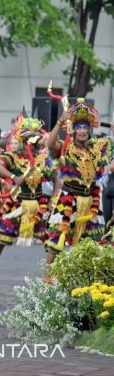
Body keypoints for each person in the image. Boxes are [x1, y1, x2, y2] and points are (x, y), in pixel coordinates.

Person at [0, 118, 54, 281]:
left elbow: (55, 175)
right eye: (30, 138)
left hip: (39, 204)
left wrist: (55, 196)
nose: (32, 141)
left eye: (35, 137)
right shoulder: (14, 156)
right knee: (2, 238)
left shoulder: (42, 159)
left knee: (51, 240)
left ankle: (49, 277)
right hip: (19, 203)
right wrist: (13, 177)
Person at [44, 100, 110, 265]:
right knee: (56, 240)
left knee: (92, 242)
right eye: (79, 127)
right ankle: (47, 281)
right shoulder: (66, 147)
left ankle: (84, 280)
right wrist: (60, 121)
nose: (82, 131)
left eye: (85, 127)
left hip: (91, 200)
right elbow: (50, 144)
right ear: (74, 130)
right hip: (67, 197)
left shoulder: (97, 147)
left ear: (90, 130)